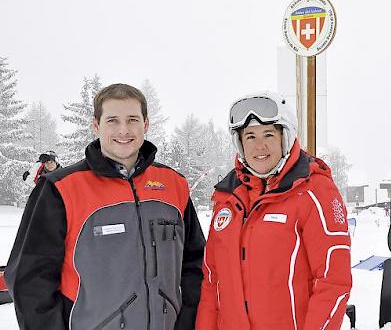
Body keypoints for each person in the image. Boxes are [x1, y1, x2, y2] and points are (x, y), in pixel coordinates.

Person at [5, 83, 205, 330]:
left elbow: (195, 264)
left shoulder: (174, 185)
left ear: (146, 124)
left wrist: (187, 321)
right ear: (97, 125)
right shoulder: (60, 188)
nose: (124, 130)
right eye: (113, 120)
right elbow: (30, 281)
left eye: (132, 119)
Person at [196, 91, 352, 329]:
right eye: (250, 136)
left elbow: (333, 281)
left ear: (285, 137)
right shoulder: (227, 197)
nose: (260, 146)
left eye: (268, 134)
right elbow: (212, 281)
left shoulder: (314, 190)